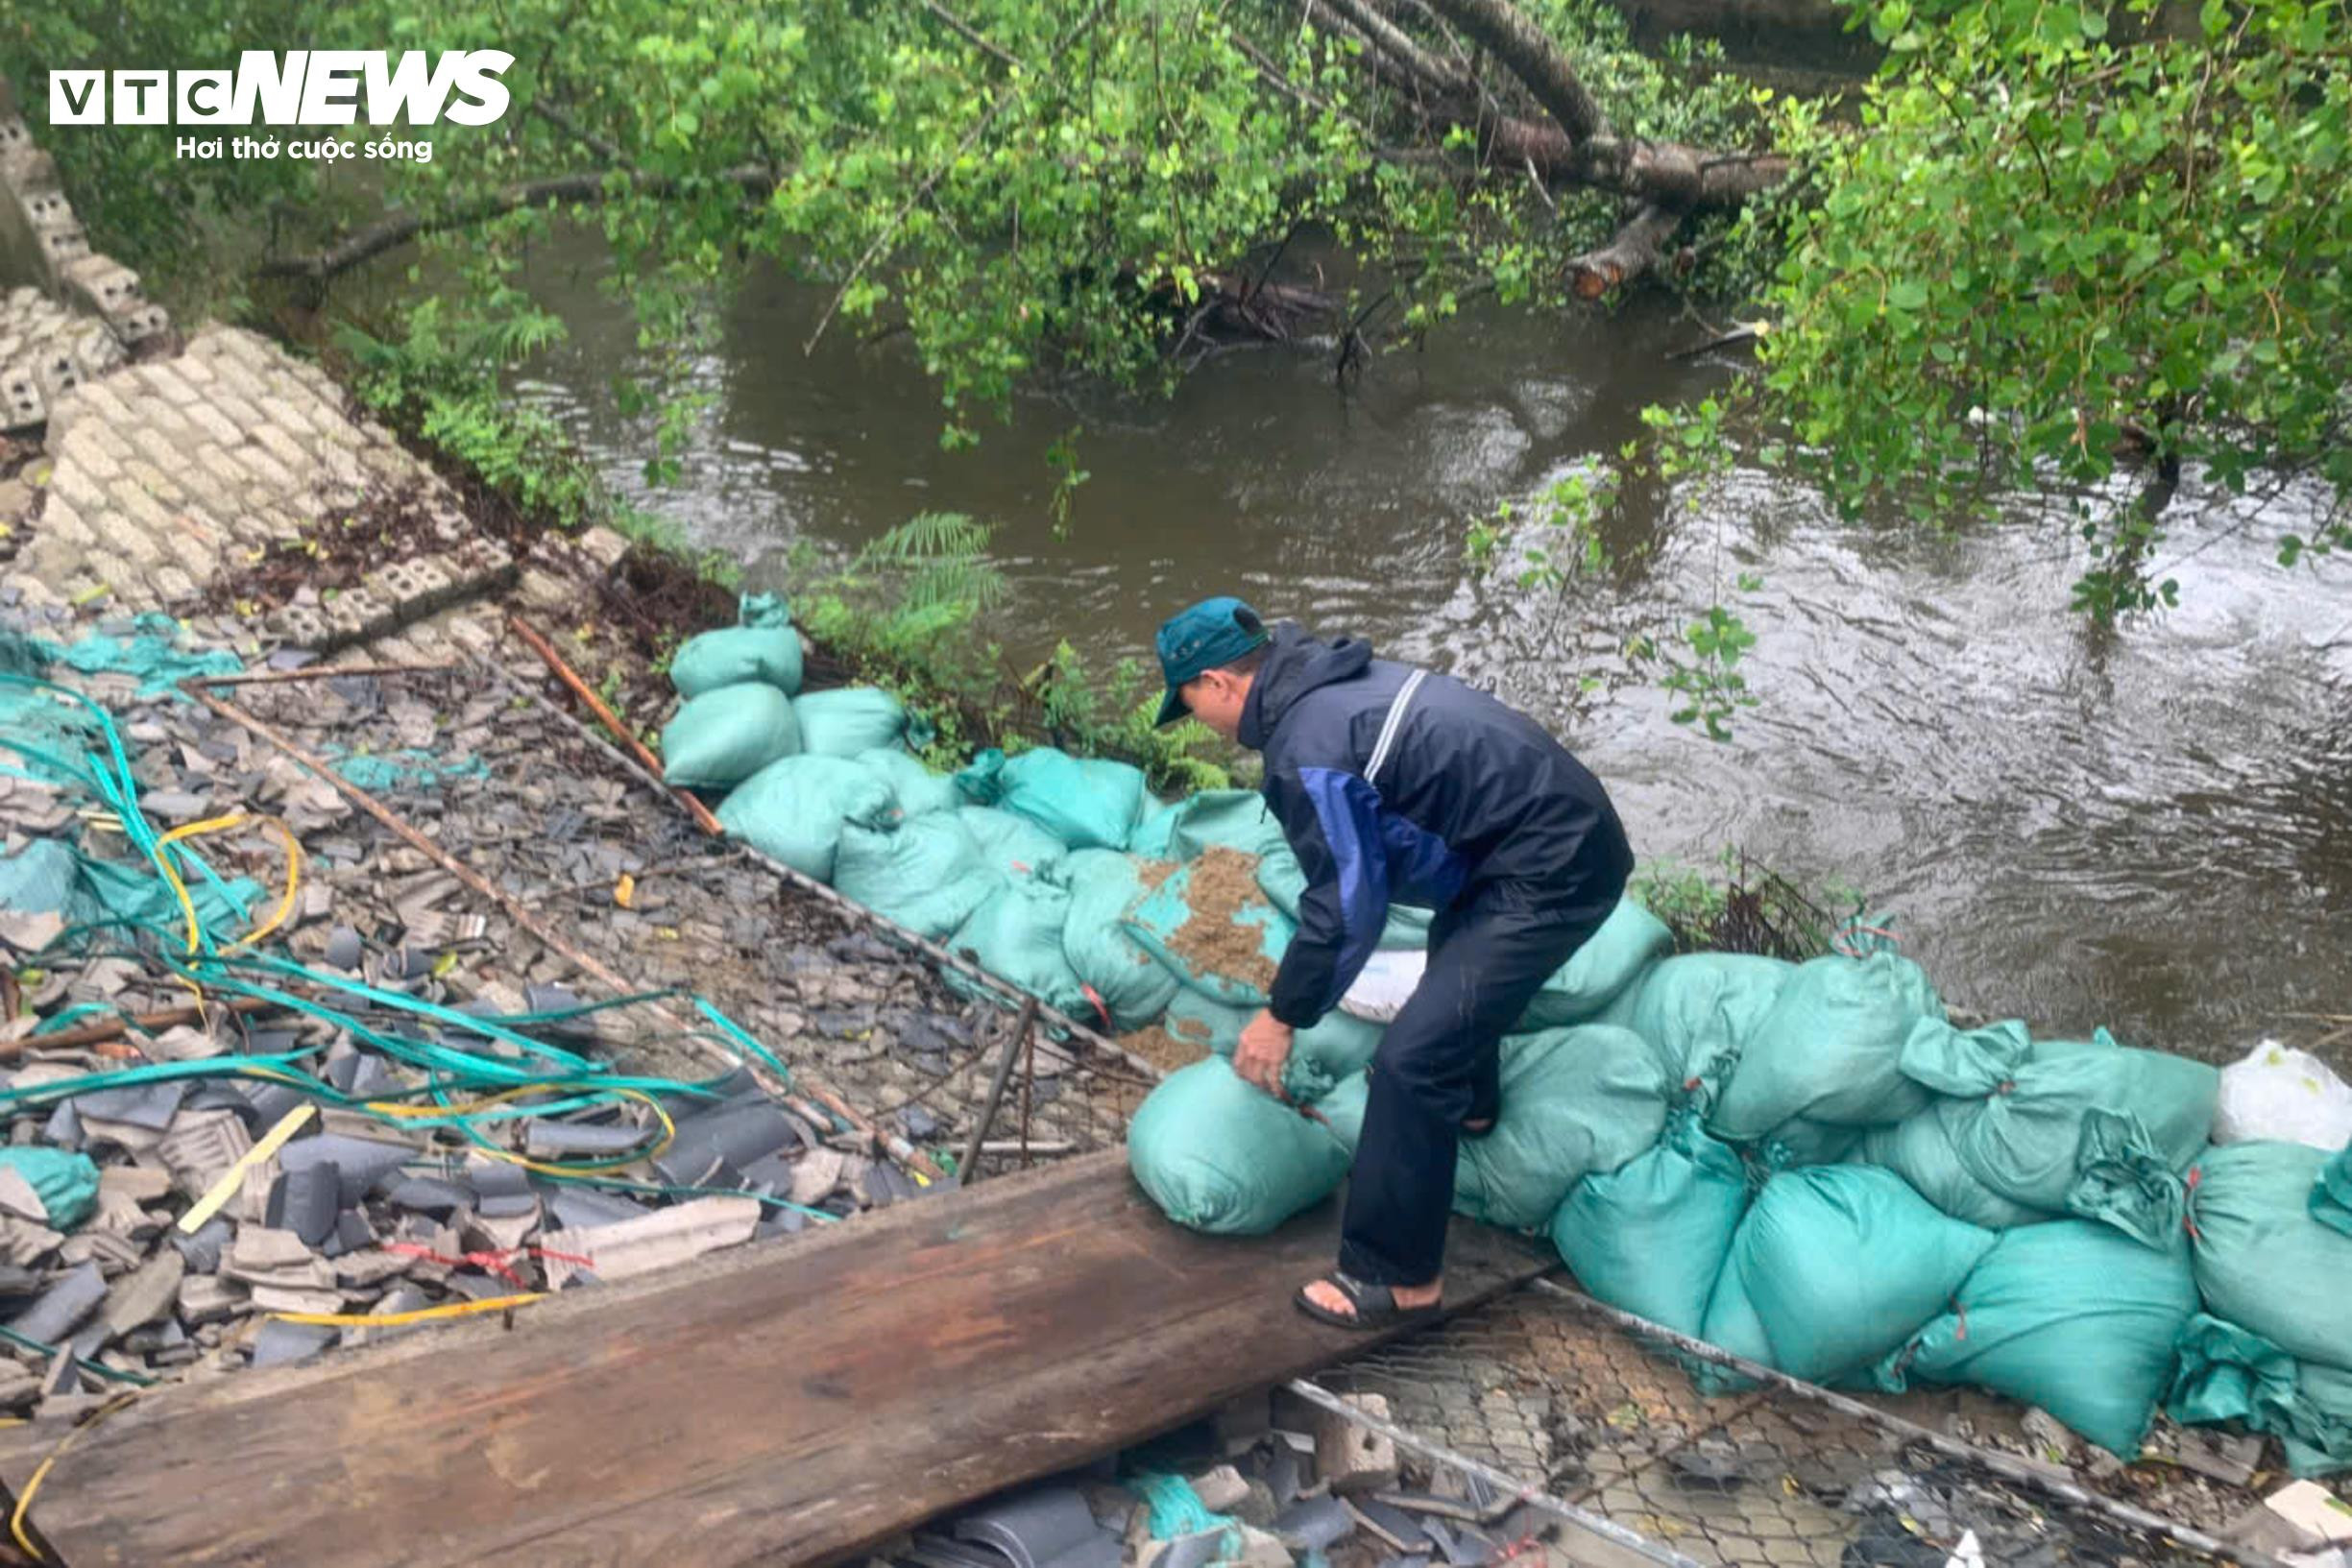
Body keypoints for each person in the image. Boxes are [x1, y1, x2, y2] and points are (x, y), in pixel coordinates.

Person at [1154, 595, 1634, 1329]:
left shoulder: (1307, 747)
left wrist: (1282, 1016)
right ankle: (1470, 1106)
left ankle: (1395, 1277)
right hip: (1525, 844)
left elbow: (1348, 906)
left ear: (1217, 682)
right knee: (1453, 975)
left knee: (1409, 1062)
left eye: (1189, 705)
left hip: (1550, 868)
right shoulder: (1328, 684)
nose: (1200, 724)